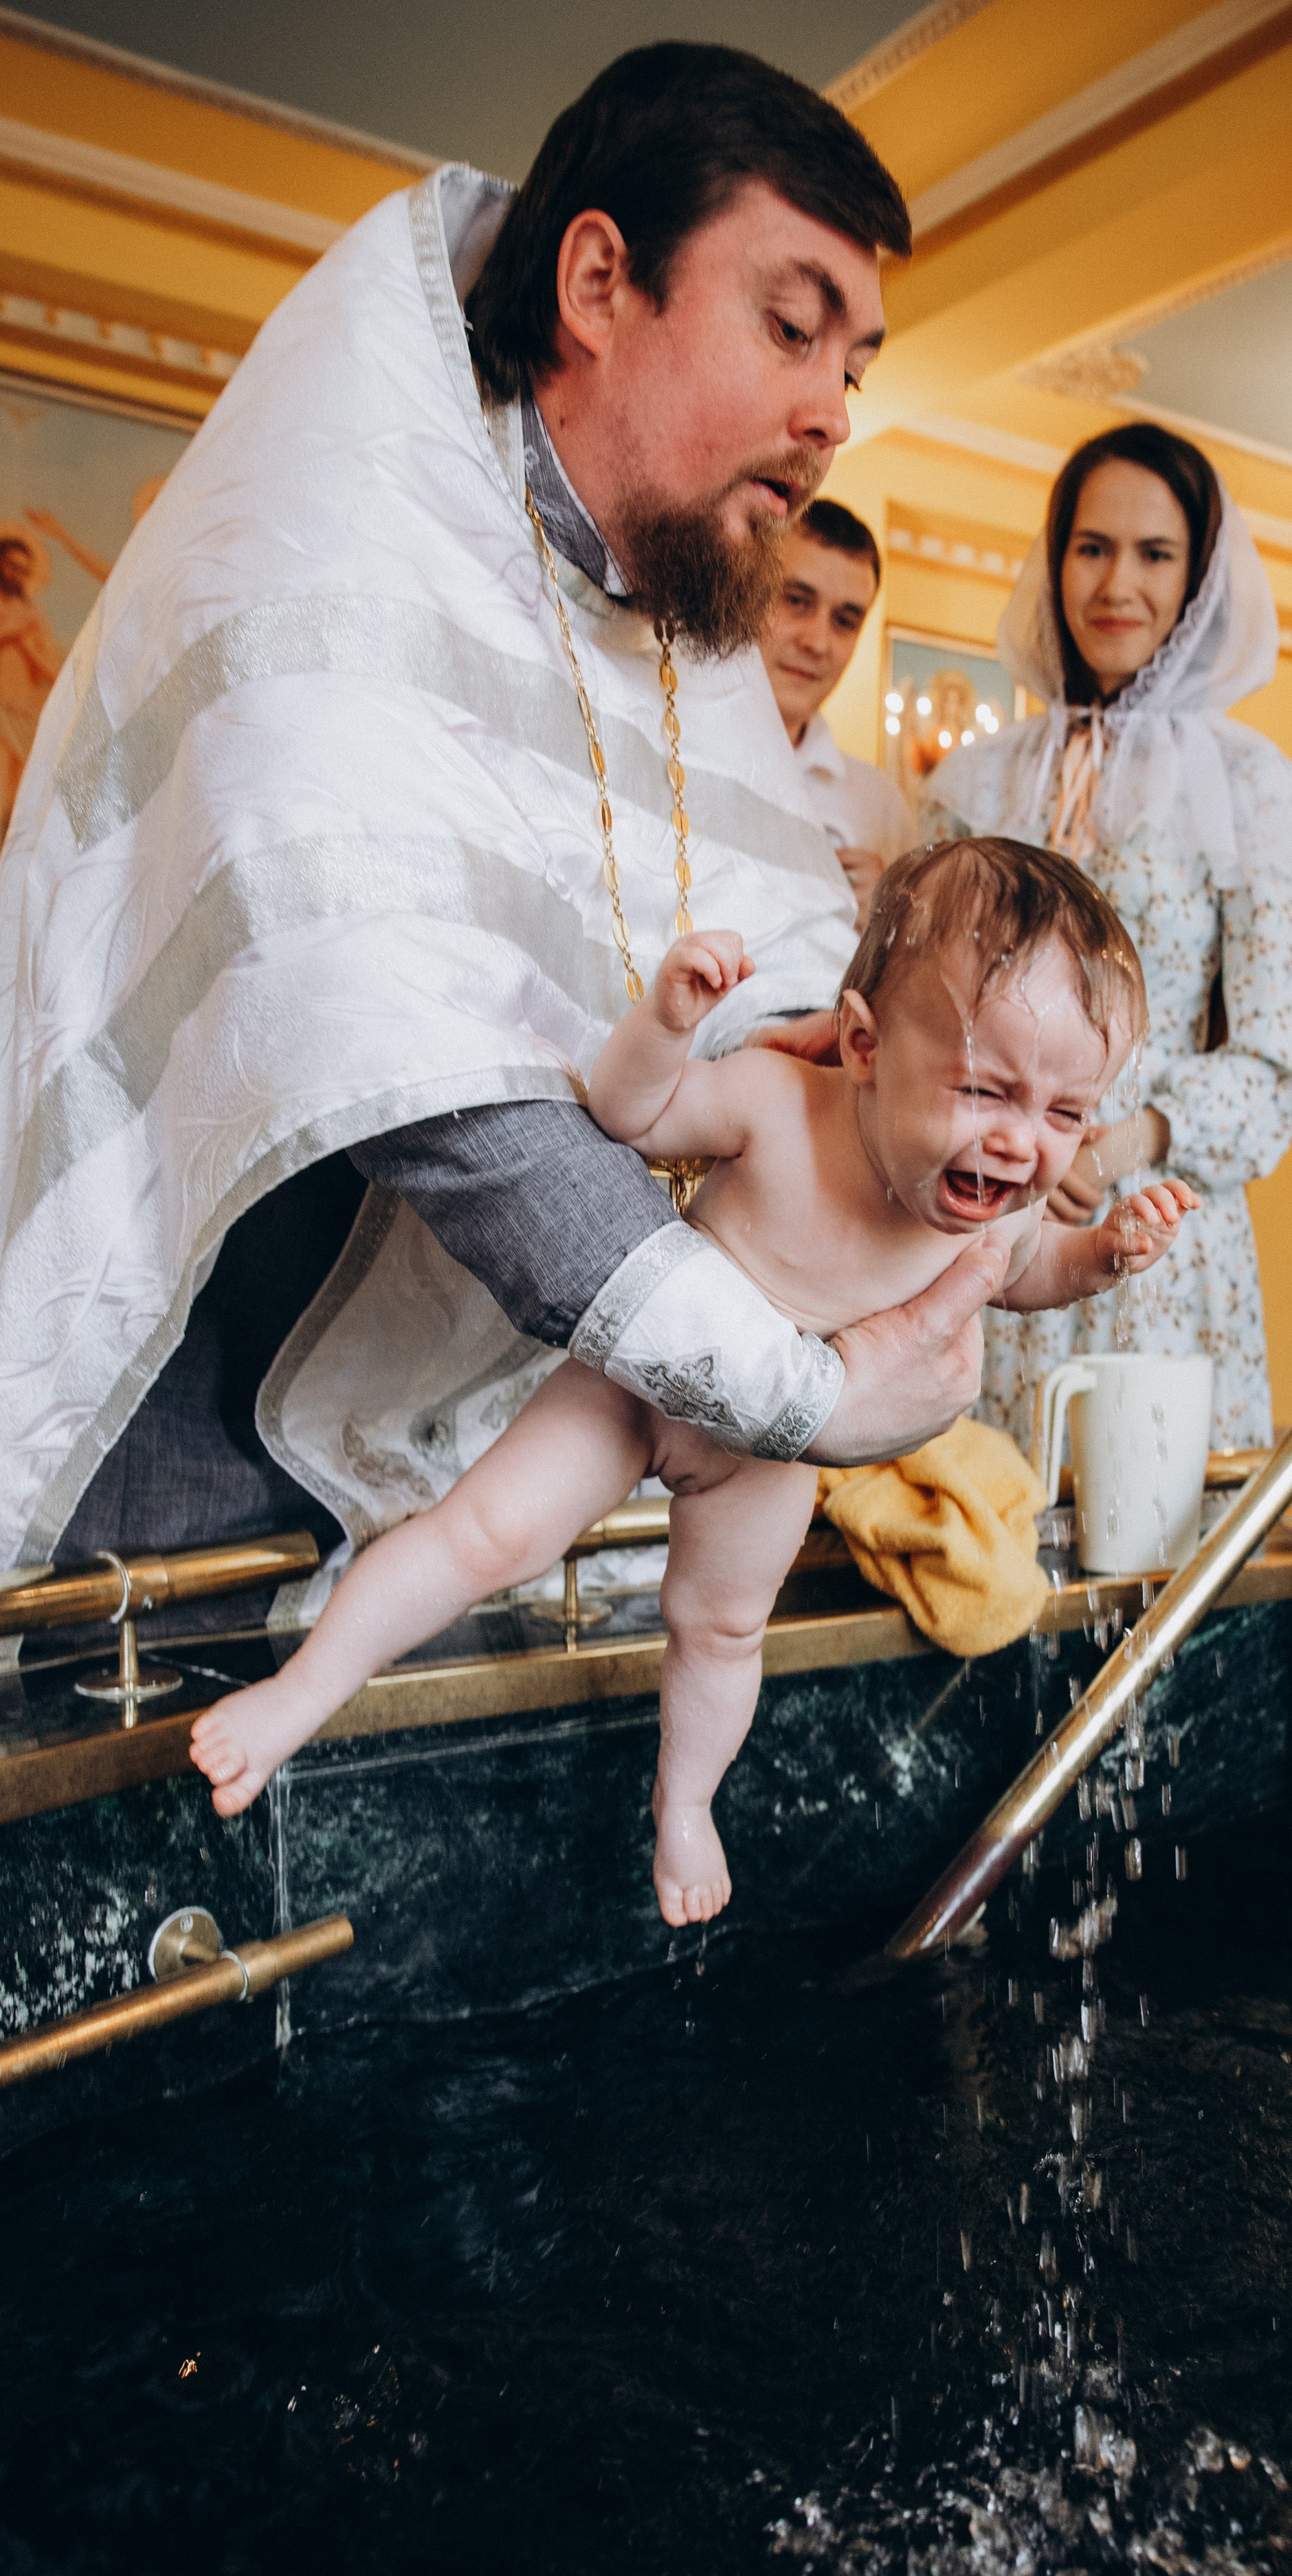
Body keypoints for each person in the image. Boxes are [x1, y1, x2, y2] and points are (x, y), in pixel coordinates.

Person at [0, 45, 1008, 1589]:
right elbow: (439, 1080)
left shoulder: (675, 609)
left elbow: (789, 995)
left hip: (459, 1489)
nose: (830, 418)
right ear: (598, 282)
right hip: (176, 1483)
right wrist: (799, 1390)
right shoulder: (334, 529)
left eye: (852, 368)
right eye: (792, 329)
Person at [191, 839, 1193, 1922]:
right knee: (478, 1535)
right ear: (862, 1043)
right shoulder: (778, 1101)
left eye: (1065, 1114)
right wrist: (663, 1027)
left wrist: (1102, 1258)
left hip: (772, 1456)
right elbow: (630, 1117)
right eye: (985, 1088)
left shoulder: (998, 1209)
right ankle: (297, 1698)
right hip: (638, 1387)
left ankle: (686, 1805)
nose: (1019, 1144)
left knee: (719, 1631)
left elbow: (1033, 1273)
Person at [918, 423, 1292, 1451]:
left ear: (1199, 578)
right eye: (1093, 547)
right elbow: (917, 1013)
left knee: (1144, 1554)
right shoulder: (976, 783)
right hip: (970, 1212)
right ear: (1056, 558)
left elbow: (1281, 1062)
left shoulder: (1248, 784)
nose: (1119, 582)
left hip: (1155, 1233)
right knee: (966, 1548)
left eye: (1156, 554)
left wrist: (1118, 1143)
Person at [758, 496, 915, 922]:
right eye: (795, 600)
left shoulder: (882, 807)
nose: (818, 643)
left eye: (844, 621)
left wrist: (889, 926)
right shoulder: (670, 743)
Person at [0, 522, 60, 846]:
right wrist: (12, 632)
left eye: (21, 568)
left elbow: (44, 652)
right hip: (2, 698)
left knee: (25, 778)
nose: (15, 572)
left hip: (25, 701)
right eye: (10, 565)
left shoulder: (29, 609)